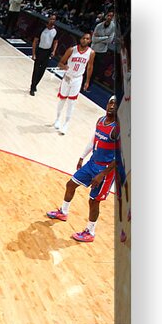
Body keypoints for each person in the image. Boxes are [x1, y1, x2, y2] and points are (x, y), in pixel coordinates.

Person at [46, 96, 120, 243]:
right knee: (70, 184)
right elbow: (94, 141)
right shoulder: (100, 120)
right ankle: (63, 212)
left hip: (105, 171)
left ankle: (90, 232)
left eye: (115, 104)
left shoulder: (117, 130)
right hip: (92, 163)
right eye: (110, 102)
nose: (112, 106)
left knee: (93, 201)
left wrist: (102, 174)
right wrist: (82, 157)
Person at [53, 32, 94, 135]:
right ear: (80, 39)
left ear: (90, 41)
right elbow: (60, 62)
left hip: (78, 79)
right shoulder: (72, 50)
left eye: (87, 39)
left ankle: (66, 124)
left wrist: (87, 81)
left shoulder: (91, 53)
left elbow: (90, 67)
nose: (85, 40)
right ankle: (57, 119)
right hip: (67, 77)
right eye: (83, 38)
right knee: (62, 99)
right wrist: (64, 66)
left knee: (72, 102)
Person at [29, 15, 58, 96]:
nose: (52, 20)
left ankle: (35, 85)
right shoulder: (41, 29)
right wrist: (33, 53)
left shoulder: (55, 31)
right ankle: (32, 87)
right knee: (36, 70)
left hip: (47, 52)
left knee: (42, 71)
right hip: (40, 51)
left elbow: (56, 42)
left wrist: (54, 51)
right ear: (48, 19)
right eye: (51, 19)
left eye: (54, 19)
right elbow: (35, 41)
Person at [88, 10, 116, 90]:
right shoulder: (99, 25)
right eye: (109, 15)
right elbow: (93, 39)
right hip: (93, 49)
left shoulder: (113, 27)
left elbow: (110, 40)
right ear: (106, 16)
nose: (109, 17)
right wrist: (105, 37)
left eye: (111, 16)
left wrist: (99, 37)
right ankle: (81, 82)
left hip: (102, 51)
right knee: (87, 66)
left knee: (95, 70)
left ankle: (88, 86)